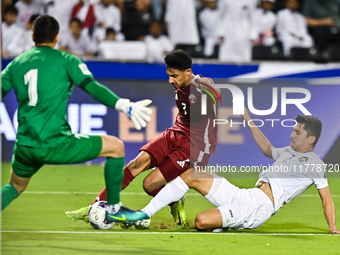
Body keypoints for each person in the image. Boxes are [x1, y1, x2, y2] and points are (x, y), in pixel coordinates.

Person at [1, 15, 153, 225]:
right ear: (57, 37)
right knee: (116, 147)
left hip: (25, 146)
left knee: (14, 186)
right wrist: (124, 105)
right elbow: (93, 88)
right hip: (56, 143)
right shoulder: (66, 61)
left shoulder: (16, 64)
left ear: (32, 36)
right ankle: (114, 208)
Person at [65, 49, 221, 228]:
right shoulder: (180, 84)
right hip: (175, 133)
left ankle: (172, 202)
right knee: (134, 165)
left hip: (194, 146)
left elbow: (214, 92)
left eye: (174, 76)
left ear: (188, 72)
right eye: (169, 75)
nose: (170, 80)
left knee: (149, 185)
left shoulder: (201, 86)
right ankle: (94, 206)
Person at [140, 110, 340, 234]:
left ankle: (226, 222)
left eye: (298, 132)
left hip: (258, 208)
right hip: (245, 194)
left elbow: (326, 199)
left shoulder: (316, 165)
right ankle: (144, 214)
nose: (292, 135)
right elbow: (268, 149)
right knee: (193, 173)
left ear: (311, 139)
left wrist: (332, 227)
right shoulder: (288, 151)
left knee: (201, 221)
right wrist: (247, 118)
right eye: (293, 130)